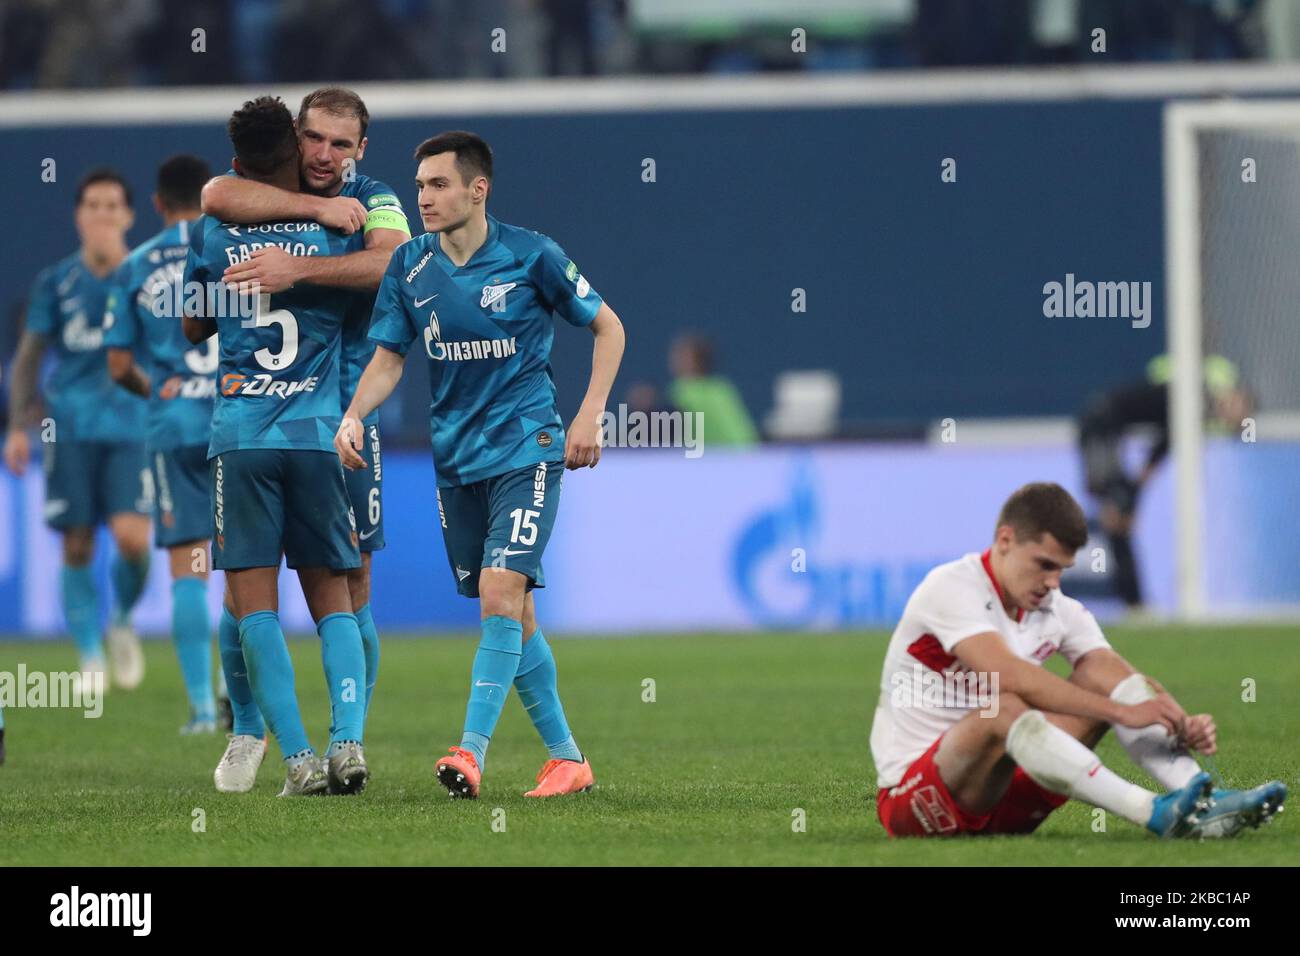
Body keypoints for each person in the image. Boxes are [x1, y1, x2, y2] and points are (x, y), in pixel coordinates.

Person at [335, 130, 625, 799]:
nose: (424, 198)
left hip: (529, 446)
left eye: (438, 185)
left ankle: (470, 753)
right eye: (418, 187)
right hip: (456, 461)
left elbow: (608, 326)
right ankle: (568, 761)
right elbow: (387, 358)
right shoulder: (409, 267)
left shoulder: (532, 255)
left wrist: (589, 414)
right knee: (513, 614)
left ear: (477, 189)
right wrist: (353, 414)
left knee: (501, 589)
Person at [871, 481, 1285, 838]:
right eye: (1044, 565)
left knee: (1102, 677)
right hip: (917, 801)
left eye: (1062, 570)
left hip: (1004, 799)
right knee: (1004, 705)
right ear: (1004, 541)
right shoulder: (951, 587)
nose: (1052, 583)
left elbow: (1119, 676)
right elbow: (1010, 677)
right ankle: (1153, 812)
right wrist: (1122, 712)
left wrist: (1176, 720)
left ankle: (1202, 801)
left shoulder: (1059, 610)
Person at [202, 86, 411, 723]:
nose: (324, 155)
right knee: (244, 594)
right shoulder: (265, 191)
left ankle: (349, 735)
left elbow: (394, 263)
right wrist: (309, 213)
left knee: (353, 587)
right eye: (314, 138)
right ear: (296, 134)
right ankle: (246, 729)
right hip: (264, 415)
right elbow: (215, 193)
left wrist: (298, 269)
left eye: (340, 144)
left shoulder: (376, 196)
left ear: (361, 149)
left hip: (347, 414)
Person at [184, 95, 370, 797]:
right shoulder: (338, 232)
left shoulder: (210, 231)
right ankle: (346, 743)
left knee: (252, 608)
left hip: (242, 439)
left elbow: (195, 326)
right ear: (296, 148)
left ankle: (295, 760)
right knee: (335, 604)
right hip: (318, 437)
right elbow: (380, 280)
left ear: (239, 160)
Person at [3, 168, 150, 692]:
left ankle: (123, 621)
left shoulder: (147, 278)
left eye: (113, 206)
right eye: (93, 205)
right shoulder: (56, 282)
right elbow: (29, 358)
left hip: (134, 426)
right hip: (67, 430)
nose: (103, 215)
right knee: (77, 545)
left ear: (129, 215)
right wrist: (19, 426)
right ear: (79, 216)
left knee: (134, 540)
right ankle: (90, 654)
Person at [105, 154, 227, 734]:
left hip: (174, 428)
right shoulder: (231, 250)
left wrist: (159, 388)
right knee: (244, 566)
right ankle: (237, 697)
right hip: (236, 422)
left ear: (156, 204)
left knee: (188, 568)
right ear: (210, 199)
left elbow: (117, 364)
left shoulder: (134, 265)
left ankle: (203, 708)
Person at [1077, 353, 1250, 609]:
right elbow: (1166, 440)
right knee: (1116, 518)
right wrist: (1140, 481)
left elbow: (1166, 438)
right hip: (1098, 427)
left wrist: (1138, 483)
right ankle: (1134, 605)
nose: (1235, 416)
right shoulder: (1196, 397)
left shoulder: (1196, 405)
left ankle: (1135, 604)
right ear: (1234, 395)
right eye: (1239, 409)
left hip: (1107, 433)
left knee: (1120, 521)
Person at [668, 333, 757, 447]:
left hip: (725, 458)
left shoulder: (681, 391)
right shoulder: (722, 387)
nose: (675, 360)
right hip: (740, 456)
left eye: (682, 356)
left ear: (698, 361)